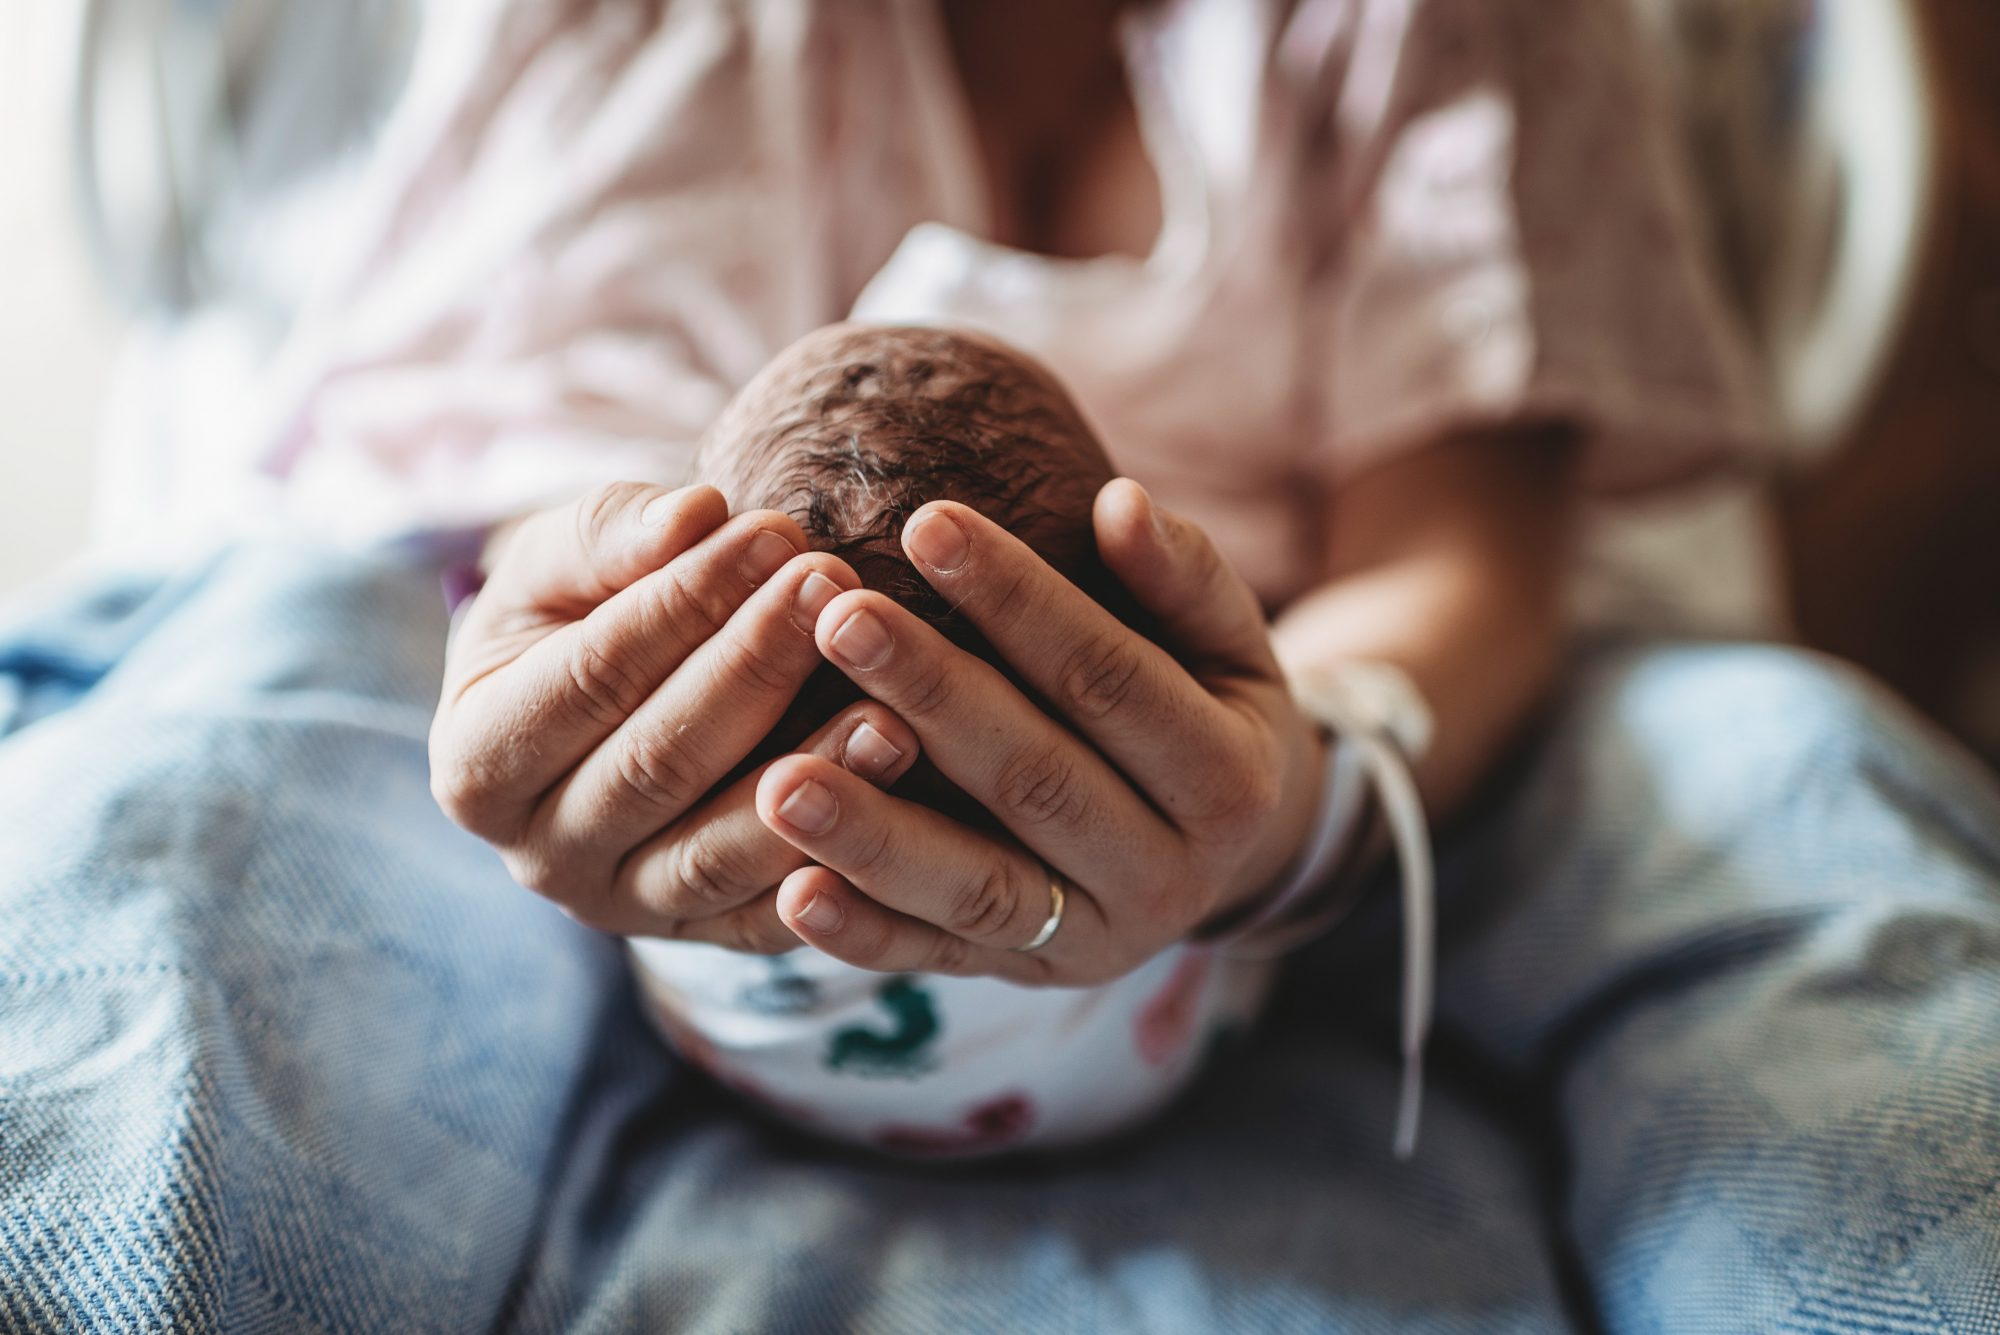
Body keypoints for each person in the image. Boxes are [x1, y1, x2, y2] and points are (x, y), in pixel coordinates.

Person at [8, 0, 1996, 1330]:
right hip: (628, 814)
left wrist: (1294, 793)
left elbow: (1459, 560)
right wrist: (572, 667)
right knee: (255, 668)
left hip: (1354, 751)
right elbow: (529, 504)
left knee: (1773, 754)